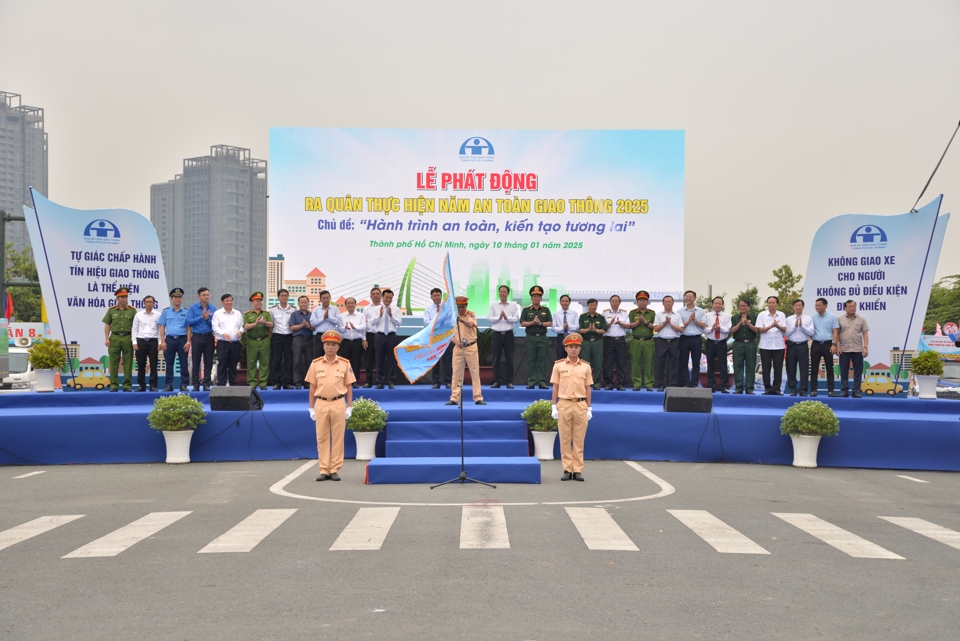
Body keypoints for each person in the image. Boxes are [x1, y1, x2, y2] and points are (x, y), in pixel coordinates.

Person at [306, 330, 355, 482]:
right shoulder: (316, 364)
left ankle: (334, 468)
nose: (330, 347)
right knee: (322, 437)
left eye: (333, 344)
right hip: (321, 403)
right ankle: (323, 469)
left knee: (338, 438)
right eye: (327, 344)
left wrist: (350, 406)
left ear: (338, 347)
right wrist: (311, 407)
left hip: (338, 402)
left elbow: (349, 387)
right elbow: (312, 387)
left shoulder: (345, 364)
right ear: (323, 346)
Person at [550, 333, 593, 482]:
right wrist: (553, 406)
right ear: (566, 348)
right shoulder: (559, 365)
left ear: (580, 348)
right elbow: (555, 387)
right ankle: (567, 469)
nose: (574, 349)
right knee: (565, 438)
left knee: (579, 439)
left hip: (580, 404)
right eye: (571, 347)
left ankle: (578, 469)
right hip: (564, 403)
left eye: (576, 347)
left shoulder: (586, 367)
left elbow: (588, 388)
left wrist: (589, 408)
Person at [446, 296, 486, 406]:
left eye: (462, 307)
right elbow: (449, 334)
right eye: (458, 307)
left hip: (471, 347)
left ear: (466, 306)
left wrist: (462, 320)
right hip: (458, 348)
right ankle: (454, 397)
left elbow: (471, 324)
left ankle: (478, 397)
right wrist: (456, 342)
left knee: (474, 372)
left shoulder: (471, 315)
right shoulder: (452, 317)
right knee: (456, 373)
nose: (460, 309)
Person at [102, 286, 137, 392]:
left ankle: (127, 385)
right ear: (117, 298)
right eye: (121, 297)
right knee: (113, 362)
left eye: (126, 297)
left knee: (128, 362)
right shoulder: (111, 310)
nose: (124, 299)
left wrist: (134, 340)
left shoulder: (132, 310)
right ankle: (114, 385)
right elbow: (107, 324)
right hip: (115, 338)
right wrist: (106, 338)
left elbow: (136, 326)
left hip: (128, 338)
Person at [487, 285, 520, 389]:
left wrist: (507, 318)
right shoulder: (493, 305)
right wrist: (499, 317)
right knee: (496, 359)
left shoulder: (513, 305)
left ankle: (509, 381)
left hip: (508, 334)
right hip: (496, 334)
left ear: (508, 293)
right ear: (498, 293)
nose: (502, 294)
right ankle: (496, 381)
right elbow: (489, 318)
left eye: (504, 292)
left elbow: (516, 319)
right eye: (501, 292)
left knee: (510, 359)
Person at [158, 287, 189, 392]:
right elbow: (162, 327)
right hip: (169, 340)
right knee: (169, 363)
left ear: (182, 299)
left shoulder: (186, 312)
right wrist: (162, 341)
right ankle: (168, 385)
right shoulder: (166, 312)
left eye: (179, 297)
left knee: (184, 363)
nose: (177, 299)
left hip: (182, 339)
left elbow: (188, 328)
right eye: (175, 297)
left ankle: (184, 384)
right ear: (172, 299)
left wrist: (188, 342)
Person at [521, 285, 553, 389]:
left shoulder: (546, 310)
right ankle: (531, 381)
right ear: (531, 298)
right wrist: (532, 322)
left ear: (541, 298)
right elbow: (522, 323)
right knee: (531, 360)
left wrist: (540, 324)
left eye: (538, 296)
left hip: (542, 337)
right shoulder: (526, 310)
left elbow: (550, 323)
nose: (536, 298)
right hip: (530, 337)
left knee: (542, 360)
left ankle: (542, 382)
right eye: (534, 296)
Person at [186, 287, 217, 391]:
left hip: (209, 336)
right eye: (204, 295)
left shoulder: (213, 308)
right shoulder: (193, 308)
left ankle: (206, 383)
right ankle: (195, 384)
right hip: (197, 337)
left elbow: (215, 325)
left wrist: (208, 319)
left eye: (208, 294)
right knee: (196, 361)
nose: (206, 296)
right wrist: (201, 317)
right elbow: (189, 322)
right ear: (199, 296)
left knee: (208, 361)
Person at [837, 300, 870, 398]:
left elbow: (865, 333)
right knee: (843, 371)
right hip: (844, 349)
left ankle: (856, 391)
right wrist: (837, 346)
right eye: (850, 306)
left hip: (858, 349)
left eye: (854, 306)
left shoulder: (861, 319)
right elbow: (836, 333)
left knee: (858, 371)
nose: (852, 308)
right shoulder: (839, 319)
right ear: (845, 308)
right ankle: (844, 391)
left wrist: (865, 347)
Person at [810, 297, 841, 397]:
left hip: (828, 344)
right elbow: (809, 331)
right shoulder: (812, 317)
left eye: (819, 305)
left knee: (829, 368)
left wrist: (834, 345)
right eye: (816, 305)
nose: (817, 307)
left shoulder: (832, 317)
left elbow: (835, 331)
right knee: (814, 368)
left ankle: (831, 391)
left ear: (825, 305)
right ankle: (814, 390)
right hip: (816, 344)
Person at [422, 287, 452, 389]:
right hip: (434, 338)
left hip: (445, 337)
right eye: (434, 295)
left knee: (447, 361)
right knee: (435, 361)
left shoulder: (447, 308)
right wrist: (436, 322)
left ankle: (448, 381)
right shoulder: (428, 309)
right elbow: (426, 323)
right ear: (431, 297)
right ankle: (436, 382)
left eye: (438, 295)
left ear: (441, 296)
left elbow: (450, 321)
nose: (436, 297)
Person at [757, 296, 787, 395]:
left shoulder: (781, 315)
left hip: (778, 345)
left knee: (778, 368)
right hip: (765, 345)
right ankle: (767, 388)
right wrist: (771, 326)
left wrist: (777, 326)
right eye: (769, 302)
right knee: (766, 367)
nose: (771, 304)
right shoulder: (762, 315)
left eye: (773, 303)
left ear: (777, 304)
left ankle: (777, 388)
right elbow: (760, 329)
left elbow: (785, 329)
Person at [243, 292, 273, 390]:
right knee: (251, 362)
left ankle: (263, 383)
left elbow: (271, 325)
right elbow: (246, 326)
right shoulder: (247, 314)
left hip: (264, 340)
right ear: (252, 303)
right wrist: (255, 324)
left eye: (260, 301)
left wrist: (263, 322)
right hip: (252, 341)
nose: (259, 303)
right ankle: (252, 382)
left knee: (264, 362)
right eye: (256, 301)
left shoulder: (266, 314)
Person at [212, 293, 244, 386]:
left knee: (233, 365)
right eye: (227, 301)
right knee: (222, 365)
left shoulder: (237, 313)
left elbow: (242, 326)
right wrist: (223, 334)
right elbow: (214, 326)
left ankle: (233, 384)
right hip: (223, 344)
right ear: (222, 302)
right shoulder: (218, 313)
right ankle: (221, 385)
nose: (229, 302)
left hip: (235, 343)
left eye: (230, 300)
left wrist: (241, 332)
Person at [653, 295, 684, 391]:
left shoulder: (677, 315)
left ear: (673, 303)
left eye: (670, 301)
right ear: (663, 303)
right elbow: (656, 329)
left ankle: (673, 384)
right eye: (666, 302)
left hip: (674, 341)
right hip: (661, 341)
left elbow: (681, 329)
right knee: (660, 363)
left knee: (674, 364)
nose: (668, 303)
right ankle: (661, 384)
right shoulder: (658, 314)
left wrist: (670, 324)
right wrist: (665, 323)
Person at [784, 299, 814, 396]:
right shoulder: (788, 319)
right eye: (796, 305)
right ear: (793, 307)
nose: (798, 307)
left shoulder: (808, 319)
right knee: (791, 369)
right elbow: (786, 333)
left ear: (803, 307)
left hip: (803, 346)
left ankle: (803, 390)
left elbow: (811, 333)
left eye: (800, 305)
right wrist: (794, 326)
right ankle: (793, 389)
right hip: (791, 346)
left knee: (804, 369)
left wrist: (802, 326)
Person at [132, 295, 161, 392]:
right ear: (144, 303)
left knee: (153, 364)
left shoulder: (158, 315)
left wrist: (160, 342)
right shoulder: (138, 315)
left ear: (154, 303)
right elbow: (134, 329)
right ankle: (142, 385)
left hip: (153, 341)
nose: (149, 304)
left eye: (151, 302)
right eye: (147, 302)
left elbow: (160, 330)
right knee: (140, 364)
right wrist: (134, 342)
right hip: (141, 341)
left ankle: (153, 385)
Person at [678, 290, 708, 388]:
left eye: (690, 297)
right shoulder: (680, 312)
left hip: (696, 338)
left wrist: (694, 320)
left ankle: (694, 383)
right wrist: (689, 321)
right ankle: (686, 383)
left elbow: (704, 325)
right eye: (686, 297)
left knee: (696, 363)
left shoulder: (700, 311)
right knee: (683, 362)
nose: (688, 299)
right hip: (684, 339)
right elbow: (679, 327)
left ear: (695, 298)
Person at [374, 288, 402, 389]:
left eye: (390, 298)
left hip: (391, 336)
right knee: (379, 359)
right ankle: (380, 382)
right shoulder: (376, 309)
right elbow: (372, 322)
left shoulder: (396, 309)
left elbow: (399, 323)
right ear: (382, 297)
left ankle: (391, 381)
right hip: (380, 335)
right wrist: (380, 315)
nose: (388, 300)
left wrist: (391, 315)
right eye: (386, 297)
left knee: (392, 359)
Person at [730, 299, 759, 394]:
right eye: (740, 306)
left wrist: (747, 323)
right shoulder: (734, 317)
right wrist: (740, 323)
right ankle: (738, 387)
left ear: (749, 307)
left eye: (744, 306)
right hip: (738, 343)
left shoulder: (754, 317)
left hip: (750, 343)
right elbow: (732, 331)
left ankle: (750, 388)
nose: (742, 308)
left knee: (751, 366)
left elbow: (756, 330)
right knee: (738, 365)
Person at [628, 291, 656, 391]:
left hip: (648, 341)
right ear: (637, 302)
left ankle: (649, 384)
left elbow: (654, 327)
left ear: (647, 302)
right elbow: (630, 326)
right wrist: (638, 322)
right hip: (636, 341)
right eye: (640, 300)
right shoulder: (632, 313)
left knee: (649, 363)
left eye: (644, 300)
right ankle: (637, 383)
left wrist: (645, 322)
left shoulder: (652, 313)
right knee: (635, 363)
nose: (642, 302)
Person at [268, 289, 295, 390]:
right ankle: (277, 382)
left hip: (289, 336)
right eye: (282, 295)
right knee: (276, 360)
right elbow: (271, 325)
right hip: (277, 336)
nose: (284, 297)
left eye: (286, 295)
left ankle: (287, 382)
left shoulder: (293, 309)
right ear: (278, 297)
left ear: (288, 297)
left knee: (288, 360)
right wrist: (270, 337)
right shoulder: (272, 310)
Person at [704, 296, 732, 393]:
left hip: (722, 342)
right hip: (710, 342)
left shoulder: (727, 316)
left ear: (722, 305)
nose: (717, 305)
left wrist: (720, 328)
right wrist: (711, 329)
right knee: (710, 365)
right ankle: (711, 386)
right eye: (715, 303)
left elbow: (729, 329)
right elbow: (704, 329)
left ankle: (724, 386)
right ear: (712, 305)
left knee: (723, 365)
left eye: (719, 303)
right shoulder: (707, 316)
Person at [602, 295, 630, 390]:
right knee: (608, 363)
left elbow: (628, 326)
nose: (614, 303)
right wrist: (609, 324)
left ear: (619, 302)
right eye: (613, 301)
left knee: (621, 362)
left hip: (620, 340)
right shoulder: (605, 313)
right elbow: (602, 326)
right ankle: (609, 383)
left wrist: (620, 323)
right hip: (609, 340)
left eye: (616, 301)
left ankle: (620, 383)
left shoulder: (624, 313)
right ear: (610, 302)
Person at [578, 298, 607, 390]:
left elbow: (604, 330)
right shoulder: (583, 317)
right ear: (588, 306)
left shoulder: (601, 317)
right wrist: (588, 330)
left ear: (596, 306)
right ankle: (586, 382)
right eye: (590, 305)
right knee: (585, 363)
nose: (592, 307)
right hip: (586, 341)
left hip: (597, 341)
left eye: (594, 305)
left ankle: (597, 383)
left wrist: (596, 330)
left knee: (598, 363)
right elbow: (580, 330)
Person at [339, 297, 366, 389]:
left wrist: (355, 327)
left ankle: (354, 381)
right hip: (346, 341)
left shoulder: (360, 315)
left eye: (352, 303)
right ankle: (345, 381)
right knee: (345, 362)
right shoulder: (342, 316)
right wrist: (344, 328)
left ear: (355, 304)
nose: (350, 305)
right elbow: (339, 328)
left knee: (356, 362)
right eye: (348, 303)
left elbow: (363, 327)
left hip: (357, 341)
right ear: (345, 305)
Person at [289, 295, 314, 390]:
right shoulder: (294, 314)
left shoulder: (311, 314)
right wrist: (302, 325)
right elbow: (291, 327)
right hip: (298, 339)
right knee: (297, 361)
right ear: (298, 304)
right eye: (301, 302)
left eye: (305, 302)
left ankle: (307, 381)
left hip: (309, 339)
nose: (303, 304)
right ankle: (297, 382)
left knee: (309, 361)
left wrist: (308, 326)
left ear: (308, 303)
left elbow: (314, 327)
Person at [309, 290, 343, 359]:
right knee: (319, 356)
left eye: (327, 298)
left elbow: (339, 321)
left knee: (331, 356)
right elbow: (312, 322)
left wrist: (329, 317)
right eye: (324, 298)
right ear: (320, 299)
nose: (326, 300)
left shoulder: (335, 309)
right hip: (319, 336)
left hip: (331, 335)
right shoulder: (316, 310)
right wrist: (323, 318)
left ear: (330, 298)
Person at [362, 287, 383, 388]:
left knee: (380, 359)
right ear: (370, 296)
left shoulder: (385, 307)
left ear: (381, 295)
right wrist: (364, 338)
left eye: (377, 294)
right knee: (369, 360)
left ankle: (380, 381)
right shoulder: (366, 308)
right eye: (373, 294)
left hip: (381, 335)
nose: (375, 296)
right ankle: (368, 381)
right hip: (369, 336)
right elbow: (364, 324)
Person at [551, 294, 575, 360]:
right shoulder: (556, 314)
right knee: (560, 357)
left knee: (571, 357)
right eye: (563, 301)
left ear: (569, 302)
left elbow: (577, 327)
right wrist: (562, 328)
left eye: (566, 301)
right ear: (560, 302)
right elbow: (553, 328)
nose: (564, 303)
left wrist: (568, 326)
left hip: (571, 337)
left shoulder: (574, 313)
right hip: (560, 337)